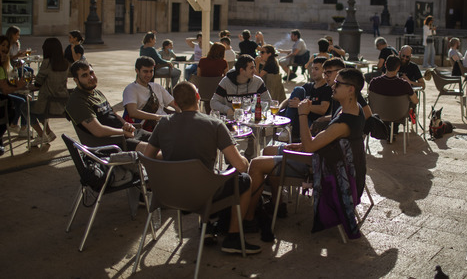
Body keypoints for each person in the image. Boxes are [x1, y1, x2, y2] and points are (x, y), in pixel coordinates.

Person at [143, 82, 262, 255]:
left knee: (206, 176)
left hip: (168, 194)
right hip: (202, 196)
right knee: (242, 179)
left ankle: (209, 226)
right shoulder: (214, 125)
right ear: (198, 98)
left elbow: (147, 159)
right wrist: (243, 157)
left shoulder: (163, 124)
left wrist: (173, 160)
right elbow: (240, 166)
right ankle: (234, 237)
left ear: (175, 103)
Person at [247, 68, 367, 239]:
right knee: (269, 150)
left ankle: (248, 219)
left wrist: (303, 114)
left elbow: (311, 147)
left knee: (256, 164)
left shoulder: (344, 123)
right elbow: (322, 142)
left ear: (350, 89)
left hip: (320, 167)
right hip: (327, 158)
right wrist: (300, 145)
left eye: (337, 83)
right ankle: (276, 205)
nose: (332, 85)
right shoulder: (353, 109)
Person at [66, 60, 150, 151]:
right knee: (157, 151)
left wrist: (125, 124)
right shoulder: (78, 100)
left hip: (125, 133)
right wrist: (124, 132)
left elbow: (113, 113)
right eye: (84, 75)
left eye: (91, 72)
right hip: (112, 142)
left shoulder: (96, 92)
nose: (91, 77)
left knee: (163, 139)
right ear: (76, 80)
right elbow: (98, 131)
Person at [278, 56, 332, 141]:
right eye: (312, 68)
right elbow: (289, 99)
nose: (313, 71)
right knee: (298, 90)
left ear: (324, 71)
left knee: (298, 92)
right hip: (298, 119)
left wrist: (300, 105)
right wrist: (277, 110)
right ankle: (286, 128)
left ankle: (287, 128)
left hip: (312, 124)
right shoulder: (308, 86)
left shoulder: (327, 88)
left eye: (316, 69)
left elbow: (323, 109)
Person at [28, 38, 69, 146]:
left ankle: (42, 134)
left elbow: (38, 83)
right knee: (37, 108)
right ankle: (48, 133)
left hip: (47, 103)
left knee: (25, 106)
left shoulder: (47, 63)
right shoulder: (65, 63)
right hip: (61, 103)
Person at [122, 56, 177, 132]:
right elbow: (133, 112)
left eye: (151, 71)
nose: (149, 75)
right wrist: (158, 117)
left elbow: (174, 104)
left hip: (166, 123)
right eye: (145, 71)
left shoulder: (157, 87)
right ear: (137, 71)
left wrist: (182, 113)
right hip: (148, 128)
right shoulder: (131, 89)